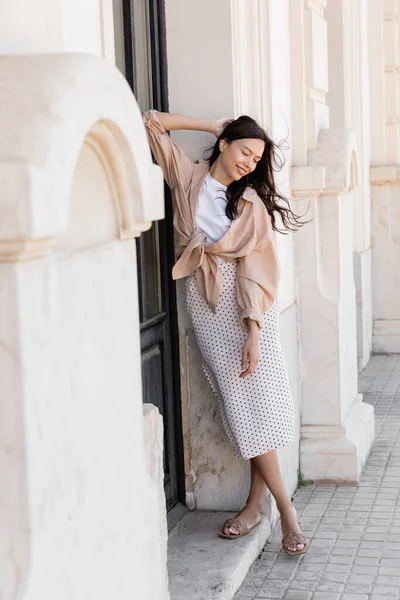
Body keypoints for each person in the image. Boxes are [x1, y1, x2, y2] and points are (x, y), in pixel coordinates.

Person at [143, 110, 307, 556]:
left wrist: (253, 328)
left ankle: (279, 512)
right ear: (226, 144)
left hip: (247, 305)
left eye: (257, 159)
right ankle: (261, 507)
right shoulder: (187, 176)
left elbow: (255, 265)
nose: (249, 164)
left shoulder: (250, 202)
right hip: (205, 300)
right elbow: (150, 123)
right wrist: (209, 126)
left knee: (262, 404)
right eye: (245, 152)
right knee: (241, 405)